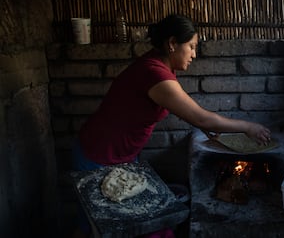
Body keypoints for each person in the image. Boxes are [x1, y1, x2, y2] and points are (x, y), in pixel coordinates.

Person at [72, 14, 271, 238]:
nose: (195, 54)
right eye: (192, 46)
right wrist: (247, 126)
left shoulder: (160, 67)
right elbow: (201, 117)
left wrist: (201, 122)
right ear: (172, 44)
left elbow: (184, 110)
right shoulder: (154, 72)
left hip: (123, 156)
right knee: (94, 228)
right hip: (98, 155)